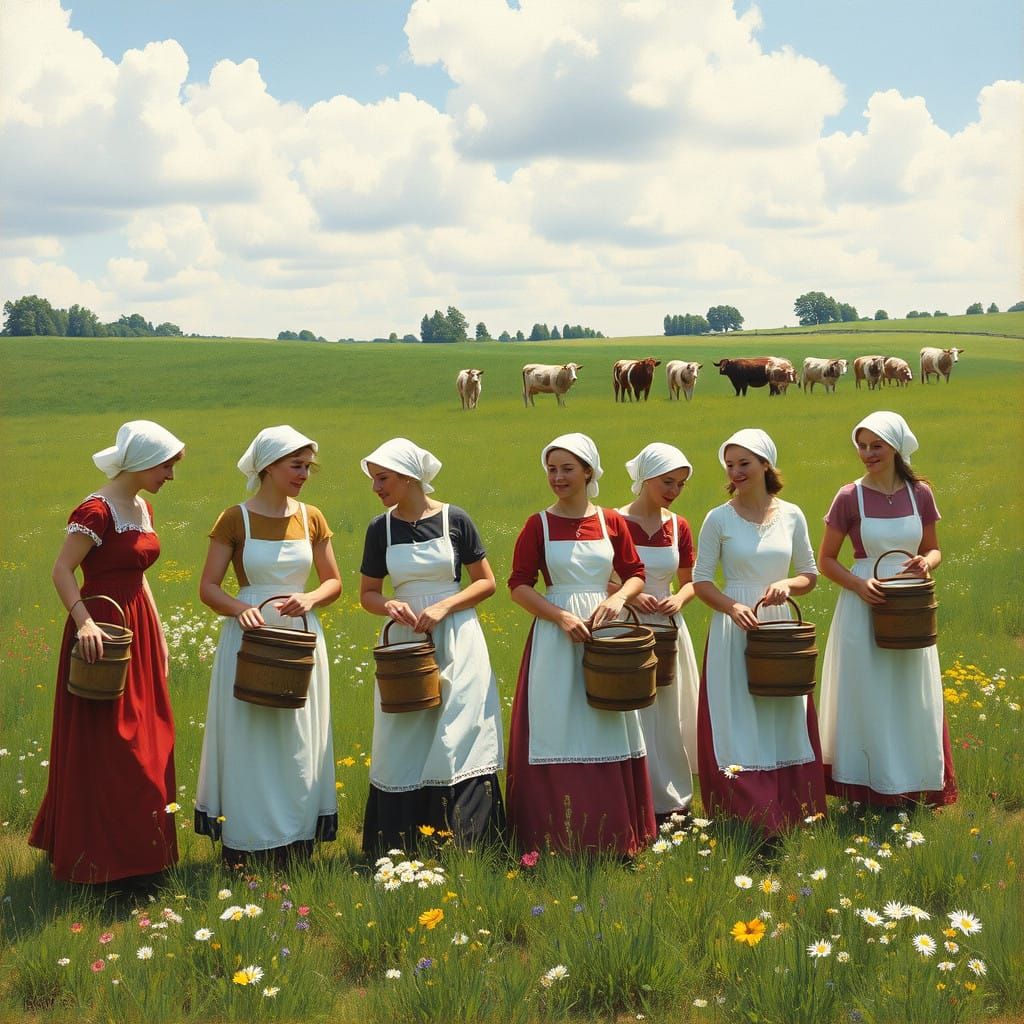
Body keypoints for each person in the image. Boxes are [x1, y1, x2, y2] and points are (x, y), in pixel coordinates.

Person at [30, 420, 184, 887]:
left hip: (136, 629)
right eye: (165, 465)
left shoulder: (143, 507)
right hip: (101, 631)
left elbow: (141, 576)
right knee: (110, 749)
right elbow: (61, 570)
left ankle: (144, 860)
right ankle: (100, 863)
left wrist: (157, 637)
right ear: (140, 461)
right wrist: (85, 623)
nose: (170, 476)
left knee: (151, 742)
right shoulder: (95, 511)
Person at [194, 426, 342, 868]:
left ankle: (296, 841)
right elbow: (208, 587)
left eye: (307, 466)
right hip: (249, 636)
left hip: (299, 634)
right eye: (296, 466)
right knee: (249, 736)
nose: (304, 474)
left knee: (296, 738)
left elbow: (333, 582)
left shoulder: (312, 516)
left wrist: (311, 598)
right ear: (269, 467)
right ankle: (246, 841)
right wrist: (240, 608)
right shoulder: (233, 518)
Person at [506, 432, 656, 856]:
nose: (557, 477)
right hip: (556, 637)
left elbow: (635, 572)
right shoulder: (538, 524)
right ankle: (552, 839)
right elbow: (518, 585)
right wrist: (559, 615)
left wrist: (618, 598)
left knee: (606, 723)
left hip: (605, 637)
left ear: (588, 471)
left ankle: (614, 837)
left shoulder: (612, 521)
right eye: (551, 469)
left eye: (567, 468)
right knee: (557, 724)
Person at [359, 438, 505, 854]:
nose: (376, 487)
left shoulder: (455, 519)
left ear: (408, 476)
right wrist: (389, 604)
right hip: (406, 640)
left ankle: (468, 843)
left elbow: (486, 581)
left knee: (460, 728)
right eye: (374, 480)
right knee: (404, 731)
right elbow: (368, 592)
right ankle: (401, 843)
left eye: (382, 478)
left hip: (458, 633)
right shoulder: (379, 527)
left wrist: (444, 608)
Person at [817, 412, 957, 807]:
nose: (867, 453)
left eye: (875, 445)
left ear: (895, 446)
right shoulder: (849, 496)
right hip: (865, 602)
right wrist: (860, 585)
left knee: (911, 691)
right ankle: (870, 787)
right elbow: (827, 559)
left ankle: (914, 781)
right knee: (871, 692)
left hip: (911, 607)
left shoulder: (921, 493)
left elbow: (933, 548)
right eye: (861, 445)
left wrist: (927, 562)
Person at [692, 428, 825, 836]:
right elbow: (700, 582)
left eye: (744, 463)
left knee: (784, 711)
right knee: (739, 716)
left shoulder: (792, 514)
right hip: (736, 626)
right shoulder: (718, 518)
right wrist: (731, 606)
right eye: (729, 465)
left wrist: (787, 585)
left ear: (765, 464)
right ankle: (747, 815)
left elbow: (810, 574)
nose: (735, 471)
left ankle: (794, 811)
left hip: (779, 624)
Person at [617, 442, 700, 823]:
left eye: (680, 484)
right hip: (625, 627)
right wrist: (629, 599)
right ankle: (632, 796)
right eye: (668, 481)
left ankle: (671, 801)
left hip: (667, 627)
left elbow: (692, 581)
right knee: (631, 712)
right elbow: (597, 578)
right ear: (646, 478)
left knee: (669, 712)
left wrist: (679, 600)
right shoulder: (613, 521)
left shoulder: (678, 525)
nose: (674, 490)